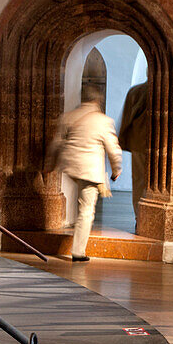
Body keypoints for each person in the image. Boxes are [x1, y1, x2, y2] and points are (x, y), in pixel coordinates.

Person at [48, 84, 123, 262]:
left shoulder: (69, 116)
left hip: (72, 167)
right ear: (98, 100)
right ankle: (78, 251)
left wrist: (50, 163)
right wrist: (116, 169)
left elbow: (56, 143)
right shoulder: (103, 121)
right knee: (86, 210)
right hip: (89, 170)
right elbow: (113, 149)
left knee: (82, 201)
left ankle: (78, 241)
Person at [119, 77, 149, 231]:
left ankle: (139, 218)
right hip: (160, 143)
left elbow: (127, 118)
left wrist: (123, 139)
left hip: (139, 142)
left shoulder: (136, 91)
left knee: (139, 181)